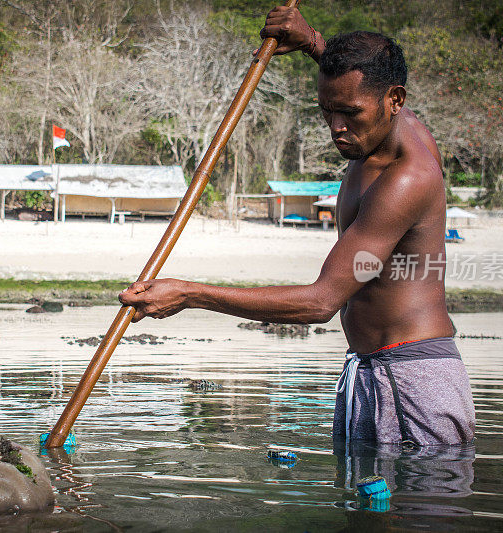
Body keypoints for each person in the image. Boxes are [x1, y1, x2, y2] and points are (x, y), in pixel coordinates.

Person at [119, 8, 475, 446]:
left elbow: (320, 302)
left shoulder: (406, 179)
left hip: (411, 377)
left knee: (422, 510)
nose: (336, 128)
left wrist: (190, 295)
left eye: (349, 113)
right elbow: (354, 83)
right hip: (369, 367)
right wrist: (312, 42)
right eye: (327, 111)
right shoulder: (389, 125)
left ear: (394, 100)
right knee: (362, 513)